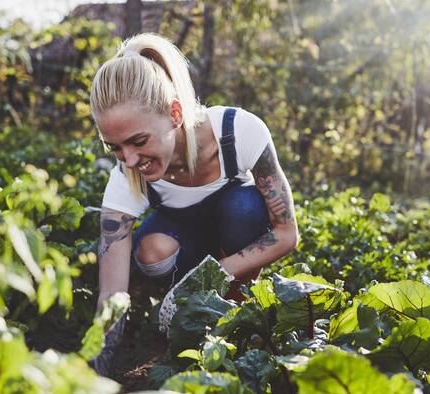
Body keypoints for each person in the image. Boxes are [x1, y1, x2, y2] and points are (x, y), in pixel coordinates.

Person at [88, 33, 298, 377]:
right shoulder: (125, 179)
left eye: (138, 141)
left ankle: (233, 306)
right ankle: (176, 315)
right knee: (152, 253)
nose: (128, 159)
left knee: (245, 208)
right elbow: (112, 294)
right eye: (115, 147)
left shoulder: (238, 132)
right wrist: (92, 370)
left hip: (234, 236)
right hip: (184, 240)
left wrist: (207, 279)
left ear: (174, 114)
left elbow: (287, 234)